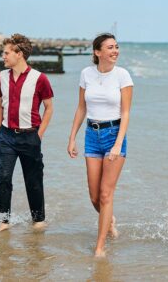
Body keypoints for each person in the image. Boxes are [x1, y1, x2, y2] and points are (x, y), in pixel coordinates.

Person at [67, 33, 134, 257]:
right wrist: (72, 137)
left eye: (116, 47)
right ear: (98, 52)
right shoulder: (86, 74)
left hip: (114, 134)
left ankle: (100, 247)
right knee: (94, 197)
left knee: (106, 194)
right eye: (110, 48)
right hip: (91, 135)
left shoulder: (123, 76)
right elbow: (81, 108)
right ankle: (110, 219)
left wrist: (117, 144)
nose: (115, 51)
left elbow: (125, 112)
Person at [0, 34, 54, 233]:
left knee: (33, 180)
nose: (3, 56)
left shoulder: (39, 78)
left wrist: (39, 135)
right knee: (4, 177)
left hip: (30, 136)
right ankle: (2, 220)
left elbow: (49, 108)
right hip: (6, 136)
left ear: (19, 54)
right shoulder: (1, 77)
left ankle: (38, 220)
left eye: (7, 53)